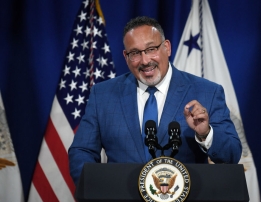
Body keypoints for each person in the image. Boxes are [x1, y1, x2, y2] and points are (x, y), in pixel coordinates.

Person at [68, 16, 242, 185]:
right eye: (135, 53)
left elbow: (232, 154)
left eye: (151, 49)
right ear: (126, 56)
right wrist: (98, 191)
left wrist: (206, 134)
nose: (145, 61)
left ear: (167, 47)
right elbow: (82, 151)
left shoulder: (207, 92)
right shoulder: (103, 95)